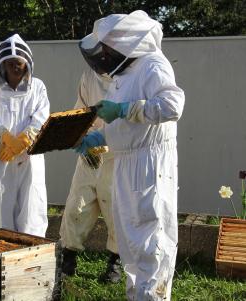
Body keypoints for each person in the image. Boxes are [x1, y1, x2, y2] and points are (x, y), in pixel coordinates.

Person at [75, 10, 185, 300]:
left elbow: (172, 105)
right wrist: (99, 137)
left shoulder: (153, 65)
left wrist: (126, 109)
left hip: (150, 164)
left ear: (125, 41)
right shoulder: (123, 74)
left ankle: (153, 296)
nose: (104, 53)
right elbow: (121, 126)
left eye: (108, 47)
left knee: (151, 240)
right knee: (130, 241)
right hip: (126, 163)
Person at [0, 34, 50, 237]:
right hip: (0, 156)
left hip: (30, 156)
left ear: (27, 63)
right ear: (1, 65)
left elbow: (41, 117)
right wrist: (3, 135)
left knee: (32, 206)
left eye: (18, 62)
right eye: (10, 63)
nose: (15, 67)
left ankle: (32, 258)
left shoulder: (37, 87)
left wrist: (24, 139)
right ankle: (4, 257)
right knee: (0, 207)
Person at [59, 62, 121, 281]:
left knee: (115, 208)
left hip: (116, 153)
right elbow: (81, 110)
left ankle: (115, 262)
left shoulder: (128, 77)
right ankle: (68, 257)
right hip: (89, 150)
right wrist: (81, 136)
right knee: (77, 204)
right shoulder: (88, 76)